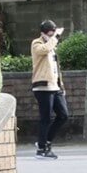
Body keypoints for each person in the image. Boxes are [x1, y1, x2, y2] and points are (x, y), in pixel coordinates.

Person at [31, 20, 69, 159]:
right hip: (42, 86)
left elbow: (56, 69)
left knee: (63, 115)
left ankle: (45, 141)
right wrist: (55, 38)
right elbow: (44, 50)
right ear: (43, 33)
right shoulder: (37, 43)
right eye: (50, 33)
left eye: (53, 33)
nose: (52, 36)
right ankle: (42, 149)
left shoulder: (52, 46)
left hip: (55, 86)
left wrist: (62, 86)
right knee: (45, 118)